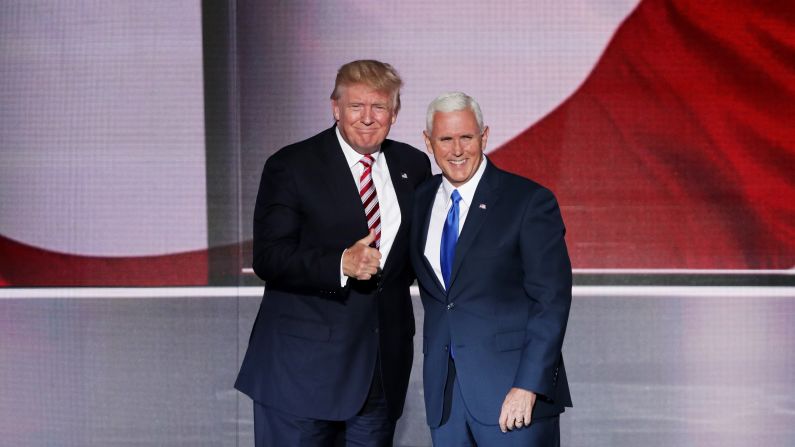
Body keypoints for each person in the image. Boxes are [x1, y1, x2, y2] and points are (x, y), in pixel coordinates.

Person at [235, 60, 432, 447]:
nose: (368, 118)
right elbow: (269, 256)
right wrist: (340, 263)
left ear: (394, 113)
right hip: (300, 374)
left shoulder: (413, 165)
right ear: (335, 108)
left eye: (379, 107)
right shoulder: (291, 165)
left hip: (379, 373)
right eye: (356, 106)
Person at [410, 92, 572, 446]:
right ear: (427, 142)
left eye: (466, 137)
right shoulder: (421, 201)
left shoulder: (528, 201)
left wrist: (529, 384)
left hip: (513, 396)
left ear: (484, 136)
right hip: (446, 398)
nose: (456, 150)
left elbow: (552, 301)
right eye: (445, 139)